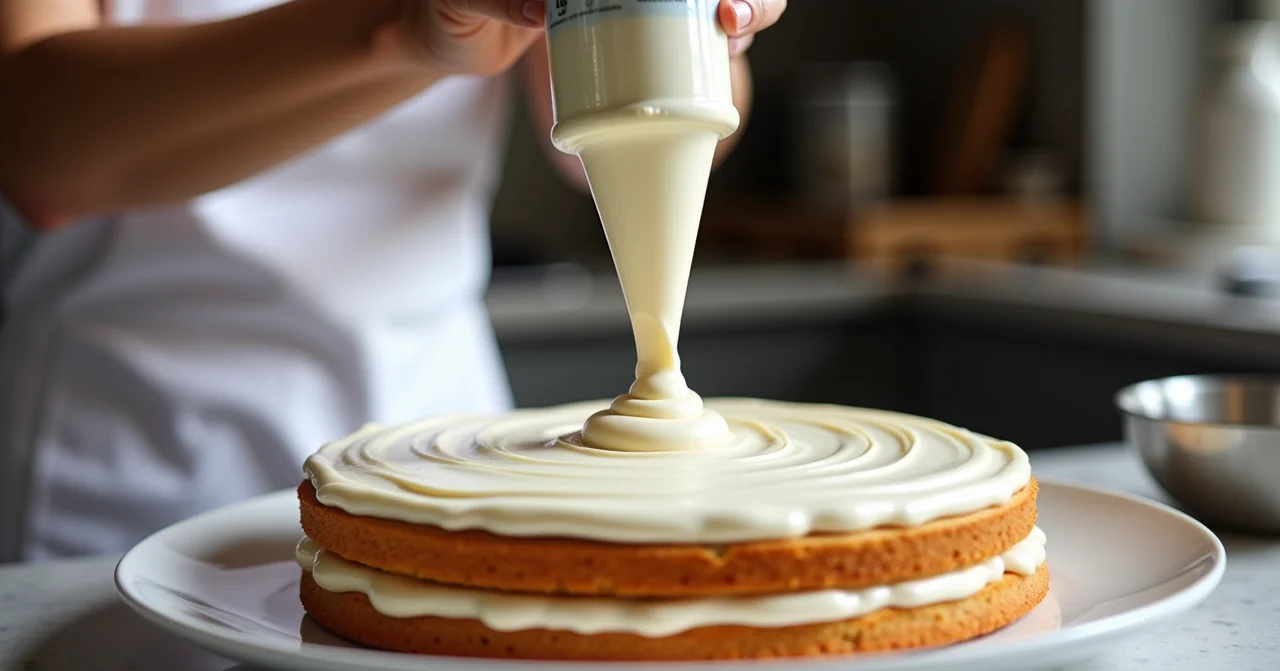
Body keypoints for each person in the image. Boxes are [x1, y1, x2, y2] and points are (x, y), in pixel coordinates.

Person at [0, 0, 785, 560]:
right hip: (131, 479)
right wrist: (407, 29)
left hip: (446, 465)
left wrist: (701, 32)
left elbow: (615, 118)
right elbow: (40, 152)